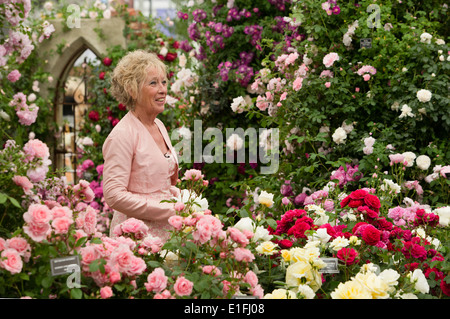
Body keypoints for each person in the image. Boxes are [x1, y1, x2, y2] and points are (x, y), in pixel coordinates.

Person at [102, 50, 180, 242]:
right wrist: (169, 210)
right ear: (132, 89)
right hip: (138, 236)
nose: (162, 89)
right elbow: (113, 195)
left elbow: (162, 181)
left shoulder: (159, 125)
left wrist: (183, 200)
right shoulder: (122, 135)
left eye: (163, 82)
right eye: (153, 83)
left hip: (168, 232)